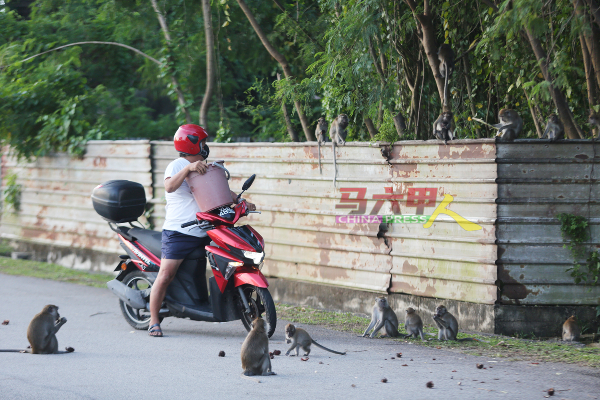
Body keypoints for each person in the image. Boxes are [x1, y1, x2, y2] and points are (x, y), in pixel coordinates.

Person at [148, 124, 256, 337]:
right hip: (178, 232)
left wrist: (241, 201)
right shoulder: (178, 164)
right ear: (192, 144)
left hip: (204, 229)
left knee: (228, 259)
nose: (206, 146)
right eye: (203, 142)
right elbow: (169, 187)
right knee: (166, 274)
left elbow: (220, 191)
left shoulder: (202, 166)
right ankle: (153, 320)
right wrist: (188, 168)